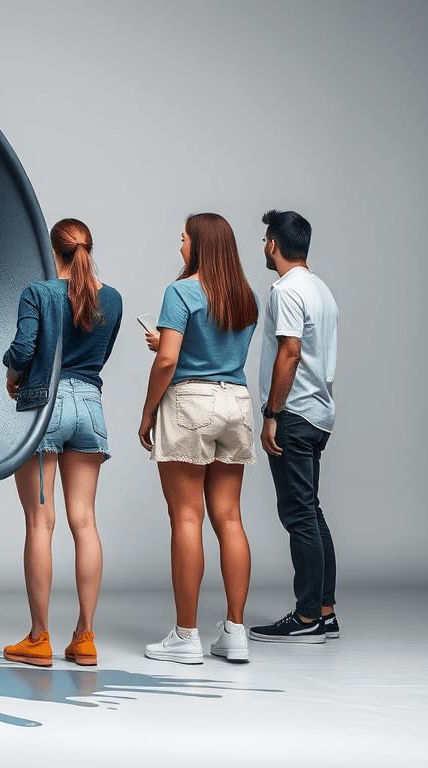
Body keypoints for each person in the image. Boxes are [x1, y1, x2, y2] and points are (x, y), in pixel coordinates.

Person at [0, 218, 122, 667]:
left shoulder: (38, 292)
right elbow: (100, 354)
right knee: (85, 521)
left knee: (40, 523)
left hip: (44, 404)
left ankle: (39, 638)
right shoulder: (112, 297)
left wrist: (13, 378)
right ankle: (85, 638)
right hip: (90, 406)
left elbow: (22, 350)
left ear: (55, 252)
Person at [138, 213, 259, 665]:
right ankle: (235, 632)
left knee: (186, 518)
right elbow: (217, 348)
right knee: (229, 519)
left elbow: (169, 362)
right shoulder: (245, 295)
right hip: (236, 403)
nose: (180, 246)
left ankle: (186, 637)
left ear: (201, 245)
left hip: (191, 402)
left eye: (184, 238)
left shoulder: (181, 290)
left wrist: (148, 412)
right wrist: (170, 343)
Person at [249, 210, 340, 644]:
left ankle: (307, 618)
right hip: (319, 412)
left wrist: (271, 413)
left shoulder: (285, 290)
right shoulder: (321, 289)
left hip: (295, 414)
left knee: (298, 514)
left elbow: (290, 352)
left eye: (265, 239)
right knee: (311, 511)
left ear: (273, 244)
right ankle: (325, 610)